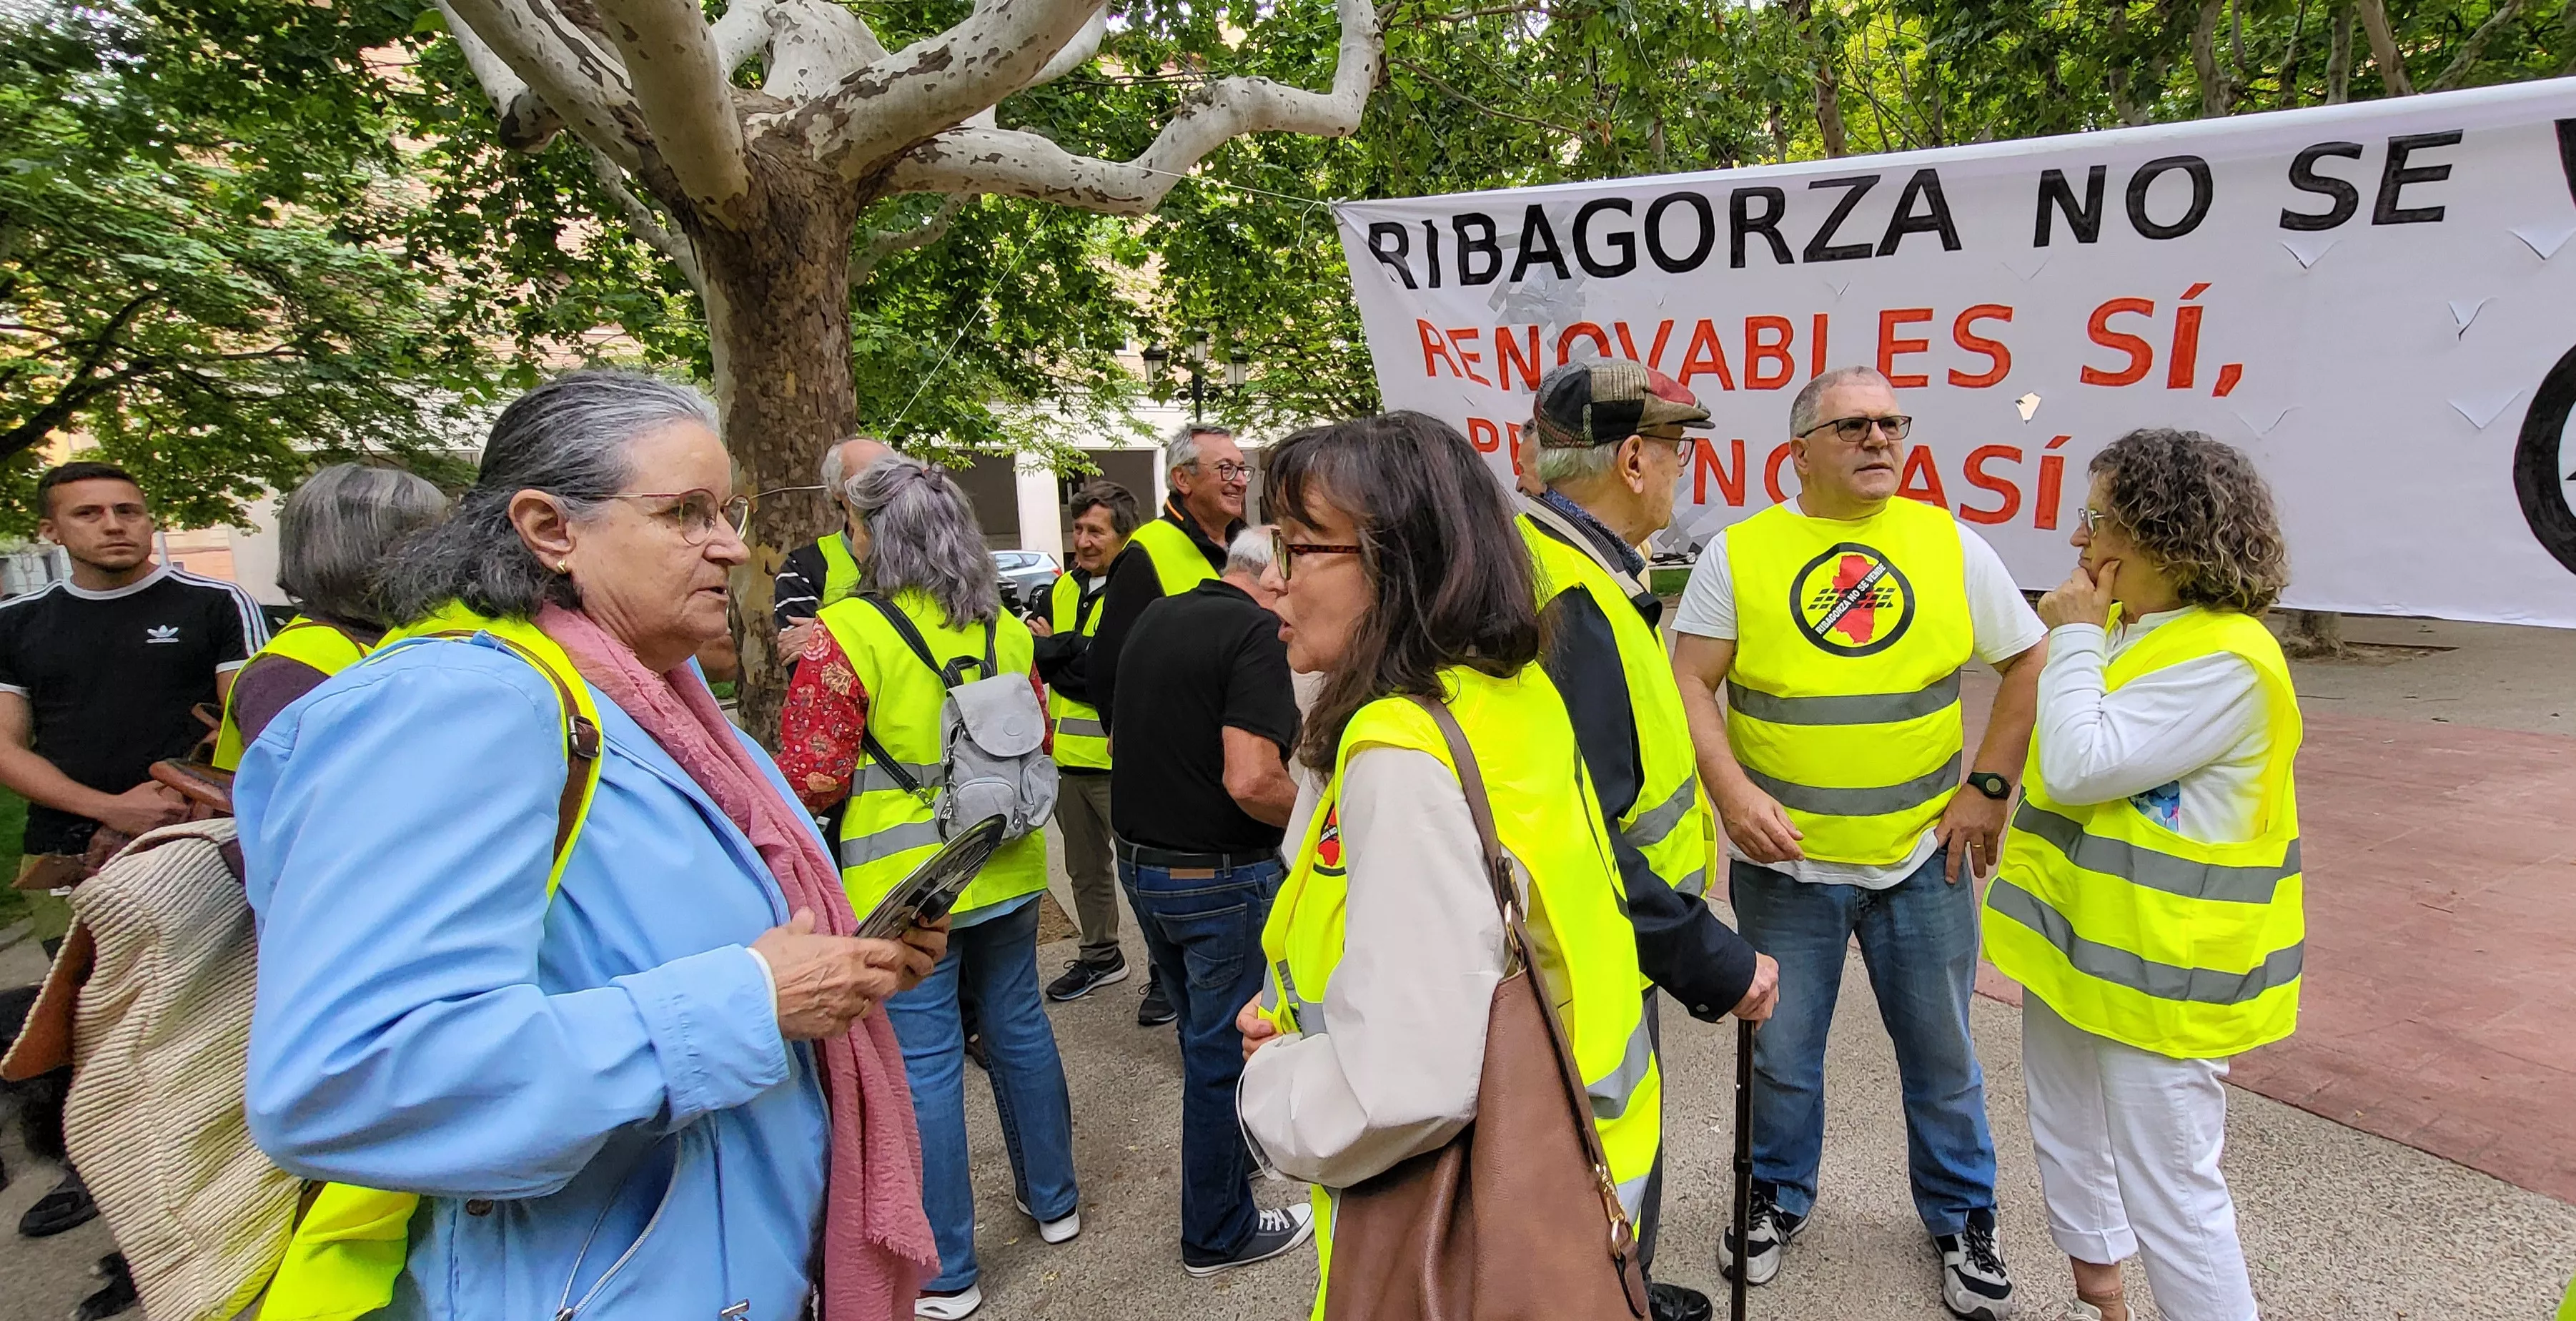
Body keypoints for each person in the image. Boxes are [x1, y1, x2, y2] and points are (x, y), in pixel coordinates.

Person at [234, 370, 947, 1320]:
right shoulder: (459, 705)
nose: (732, 546)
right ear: (548, 528)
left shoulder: (651, 701)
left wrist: (842, 968)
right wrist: (746, 1001)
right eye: (688, 513)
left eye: (726, 510)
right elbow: (347, 1079)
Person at [1235, 412, 1659, 1318]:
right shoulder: (1506, 691)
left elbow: (1404, 1088)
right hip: (1582, 1160)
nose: (1269, 581)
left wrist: (1271, 1085)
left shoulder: (1399, 752)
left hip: (1470, 1211)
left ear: (1396, 562)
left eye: (1295, 547)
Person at [1670, 366, 2045, 1320]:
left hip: (1925, 860)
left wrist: (1990, 787)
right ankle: (1776, 1198)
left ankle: (1964, 1216)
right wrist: (1732, 792)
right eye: (1852, 427)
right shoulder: (1741, 554)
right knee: (1783, 1054)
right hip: (1785, 866)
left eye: (1891, 423)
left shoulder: (1949, 544)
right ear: (1798, 453)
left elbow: (2030, 656)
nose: (1879, 440)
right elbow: (1689, 683)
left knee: (1944, 1054)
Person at [1985, 430, 2300, 1321]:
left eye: (2096, 520)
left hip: (2163, 979)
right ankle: (2103, 1301)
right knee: (2069, 1136)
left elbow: (2084, 764)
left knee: (2176, 1200)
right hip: (2080, 954)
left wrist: (2075, 639)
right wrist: (2089, 639)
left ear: (2166, 534)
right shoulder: (2133, 634)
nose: (2079, 544)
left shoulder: (2228, 657)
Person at [781, 456, 1078, 1321]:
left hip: (906, 887)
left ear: (872, 532)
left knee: (925, 1066)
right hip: (1008, 862)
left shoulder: (847, 632)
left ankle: (949, 1270)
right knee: (1020, 1027)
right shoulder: (1005, 629)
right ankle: (1054, 1203)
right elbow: (1037, 730)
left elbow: (812, 775)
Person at [1521, 360, 1781, 1321]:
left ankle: (1620, 1286)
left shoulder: (1566, 570)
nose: (1680, 473)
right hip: (1600, 952)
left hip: (1610, 945)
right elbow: (1578, 834)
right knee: (1603, 1161)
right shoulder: (1571, 603)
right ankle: (1613, 1296)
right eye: (1676, 452)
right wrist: (1714, 962)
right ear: (1632, 458)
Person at [0, 459, 269, 1239]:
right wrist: (105, 806)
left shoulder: (215, 603)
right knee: (78, 1021)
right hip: (76, 850)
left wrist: (194, 790)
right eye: (89, 514)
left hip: (197, 848)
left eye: (129, 509)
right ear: (51, 531)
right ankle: (91, 1175)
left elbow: (252, 721)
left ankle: (220, 1181)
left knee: (202, 1013)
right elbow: (7, 745)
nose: (114, 524)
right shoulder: (19, 624)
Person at [1109, 525, 1312, 1276]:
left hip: (1144, 867)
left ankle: (1230, 1166)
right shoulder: (1256, 634)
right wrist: (1332, 820)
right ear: (1267, 578)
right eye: (1289, 583)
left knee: (1202, 1040)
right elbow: (1252, 779)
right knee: (1224, 1051)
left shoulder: (1159, 614)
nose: (1293, 605)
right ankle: (1218, 1231)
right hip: (1219, 876)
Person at [1078, 425, 1249, 1026]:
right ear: (1183, 479)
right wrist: (1133, 743)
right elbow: (1110, 668)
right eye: (1224, 469)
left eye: (1241, 468)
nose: (1238, 479)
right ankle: (1165, 979)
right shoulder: (1148, 550)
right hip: (1180, 778)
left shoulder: (1241, 544)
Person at [212, 463, 450, 768]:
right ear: (371, 552)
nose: (451, 552)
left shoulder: (403, 634)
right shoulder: (287, 675)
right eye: (434, 537)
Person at [1033, 480, 1141, 1002]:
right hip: (1067, 761)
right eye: (1077, 529)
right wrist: (1071, 654)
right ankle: (1101, 955)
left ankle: (1165, 974)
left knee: (1141, 874)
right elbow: (1046, 663)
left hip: (1122, 762)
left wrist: (1061, 653)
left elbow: (1117, 671)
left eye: (1096, 530)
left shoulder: (1138, 587)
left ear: (1124, 535)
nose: (1084, 540)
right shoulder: (1062, 587)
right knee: (1084, 870)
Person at [776, 434, 897, 659]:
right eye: (864, 481)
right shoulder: (803, 568)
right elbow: (803, 667)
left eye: (891, 478)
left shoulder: (932, 557)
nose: (880, 491)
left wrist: (832, 636)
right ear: (836, 491)